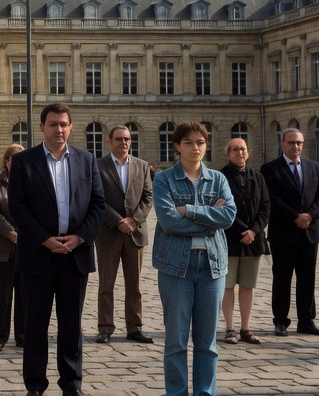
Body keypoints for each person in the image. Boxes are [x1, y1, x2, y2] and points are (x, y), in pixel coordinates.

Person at [9, 102, 104, 396]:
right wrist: (43, 239)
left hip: (75, 254)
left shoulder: (87, 160)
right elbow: (17, 207)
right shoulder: (25, 161)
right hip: (38, 254)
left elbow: (98, 204)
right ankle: (35, 385)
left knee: (72, 326)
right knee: (36, 325)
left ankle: (72, 384)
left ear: (71, 126)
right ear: (42, 127)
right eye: (53, 124)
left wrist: (80, 238)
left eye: (64, 124)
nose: (59, 129)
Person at [152, 121, 235, 396]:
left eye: (200, 142)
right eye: (188, 142)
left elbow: (229, 216)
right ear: (177, 147)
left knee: (207, 342)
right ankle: (175, 393)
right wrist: (210, 219)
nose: (195, 147)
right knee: (176, 341)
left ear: (206, 145)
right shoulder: (163, 179)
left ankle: (205, 392)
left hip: (213, 267)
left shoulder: (219, 180)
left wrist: (187, 209)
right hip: (176, 267)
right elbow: (169, 222)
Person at [259, 128, 319, 337]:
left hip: (309, 231)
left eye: (299, 143)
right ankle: (280, 321)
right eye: (291, 143)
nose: (295, 146)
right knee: (282, 278)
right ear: (282, 144)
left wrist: (310, 216)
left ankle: (306, 320)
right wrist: (295, 217)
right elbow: (272, 199)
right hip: (284, 232)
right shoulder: (270, 169)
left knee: (307, 278)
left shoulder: (314, 167)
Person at [94, 125, 153, 345]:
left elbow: (148, 198)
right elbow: (97, 198)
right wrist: (117, 221)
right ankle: (105, 327)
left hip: (134, 234)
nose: (124, 143)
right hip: (109, 233)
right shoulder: (98, 166)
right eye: (119, 139)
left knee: (135, 285)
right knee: (106, 285)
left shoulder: (142, 166)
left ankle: (135, 327)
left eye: (127, 139)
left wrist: (134, 220)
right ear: (109, 141)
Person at [219, 137, 269, 346]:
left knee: (248, 286)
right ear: (228, 154)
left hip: (253, 240)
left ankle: (246, 327)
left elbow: (266, 207)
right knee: (228, 286)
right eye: (235, 150)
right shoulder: (220, 177)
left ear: (248, 153)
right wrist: (243, 230)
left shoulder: (257, 177)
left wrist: (254, 231)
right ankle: (230, 328)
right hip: (230, 238)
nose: (240, 153)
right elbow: (221, 206)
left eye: (243, 149)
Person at [0, 144, 26, 352]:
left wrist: (25, 234)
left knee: (24, 294)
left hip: (26, 246)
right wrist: (12, 233)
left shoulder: (32, 184)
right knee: (1, 294)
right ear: (7, 162)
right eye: (14, 160)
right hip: (1, 245)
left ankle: (23, 336)